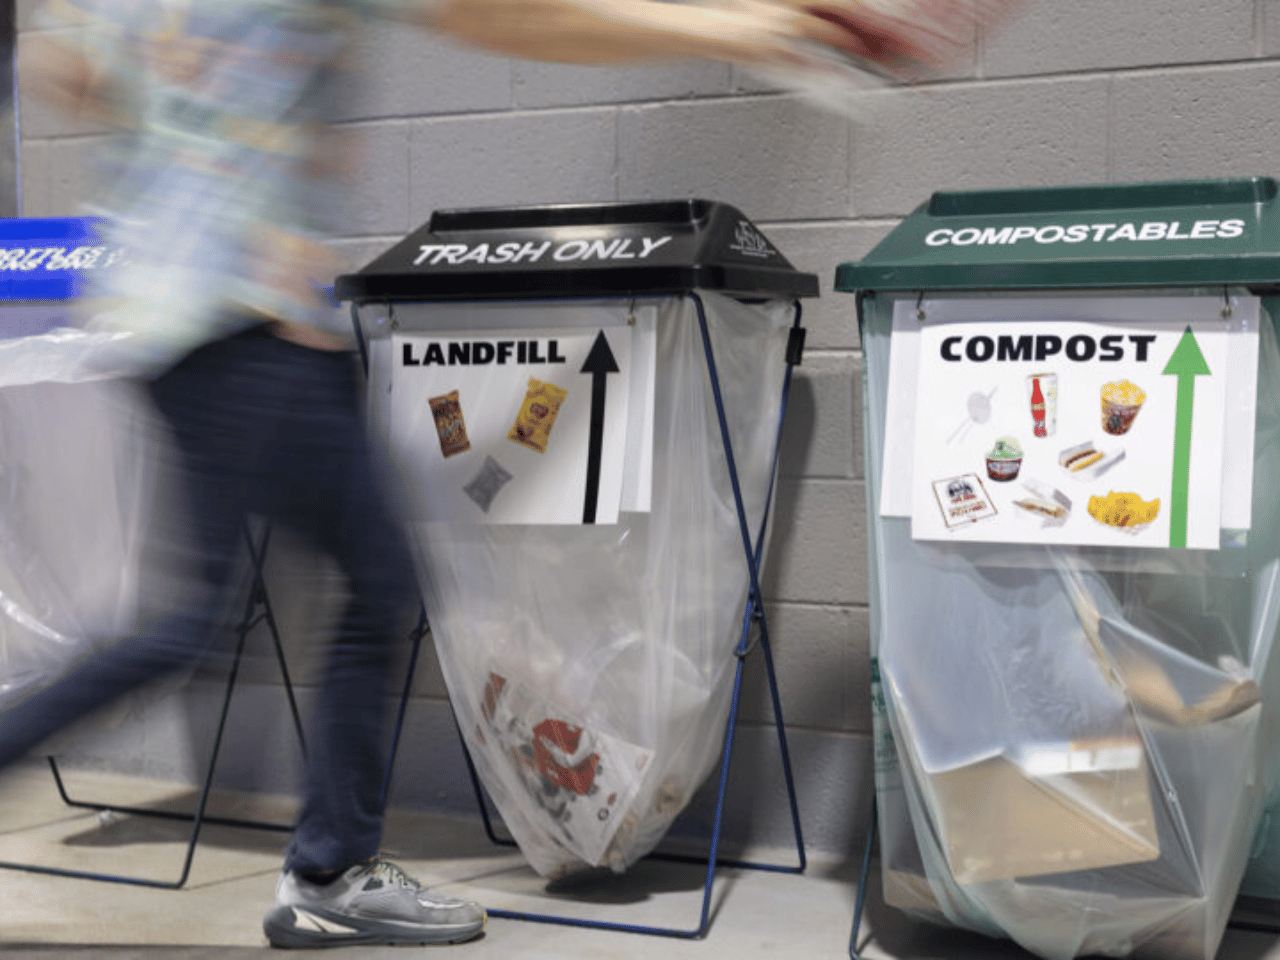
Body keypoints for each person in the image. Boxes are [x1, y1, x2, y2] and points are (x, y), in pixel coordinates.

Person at [4, 0, 1015, 948]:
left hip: (167, 317)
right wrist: (749, 24)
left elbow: (62, 68)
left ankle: (328, 871)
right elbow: (514, 14)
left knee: (213, 616)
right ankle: (328, 876)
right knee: (359, 588)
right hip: (247, 322)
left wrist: (199, 122)